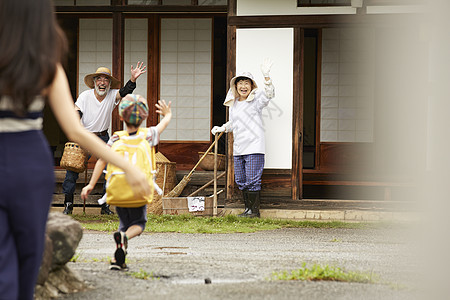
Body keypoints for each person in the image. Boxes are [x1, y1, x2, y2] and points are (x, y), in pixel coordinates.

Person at [0, 0, 152, 299]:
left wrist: (132, 81)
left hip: (39, 153)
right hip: (30, 162)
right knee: (28, 256)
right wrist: (130, 166)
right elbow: (75, 130)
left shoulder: (108, 93)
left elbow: (120, 95)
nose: (102, 81)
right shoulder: (45, 65)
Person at [81, 94, 172, 270]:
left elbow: (101, 160)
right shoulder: (147, 135)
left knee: (123, 225)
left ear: (121, 117)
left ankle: (118, 260)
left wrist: (91, 184)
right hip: (139, 190)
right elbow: (162, 125)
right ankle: (124, 239)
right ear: (144, 117)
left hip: (118, 190)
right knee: (138, 224)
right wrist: (167, 114)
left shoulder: (115, 138)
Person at [62, 62, 147, 215]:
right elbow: (77, 112)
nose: (102, 83)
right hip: (84, 135)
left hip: (103, 137)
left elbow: (125, 91)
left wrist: (133, 79)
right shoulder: (85, 96)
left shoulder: (111, 95)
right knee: (72, 169)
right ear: (94, 83)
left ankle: (105, 206)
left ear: (109, 83)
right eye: (99, 79)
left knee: (110, 169)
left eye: (106, 80)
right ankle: (68, 204)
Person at [211, 59, 275, 218]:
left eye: (247, 83)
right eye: (240, 83)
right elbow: (233, 123)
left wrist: (266, 77)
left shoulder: (256, 100)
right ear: (235, 86)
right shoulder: (234, 104)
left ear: (252, 86)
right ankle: (248, 209)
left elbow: (270, 95)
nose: (243, 86)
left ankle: (254, 212)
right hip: (239, 147)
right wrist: (222, 128)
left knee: (253, 180)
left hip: (254, 146)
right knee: (240, 179)